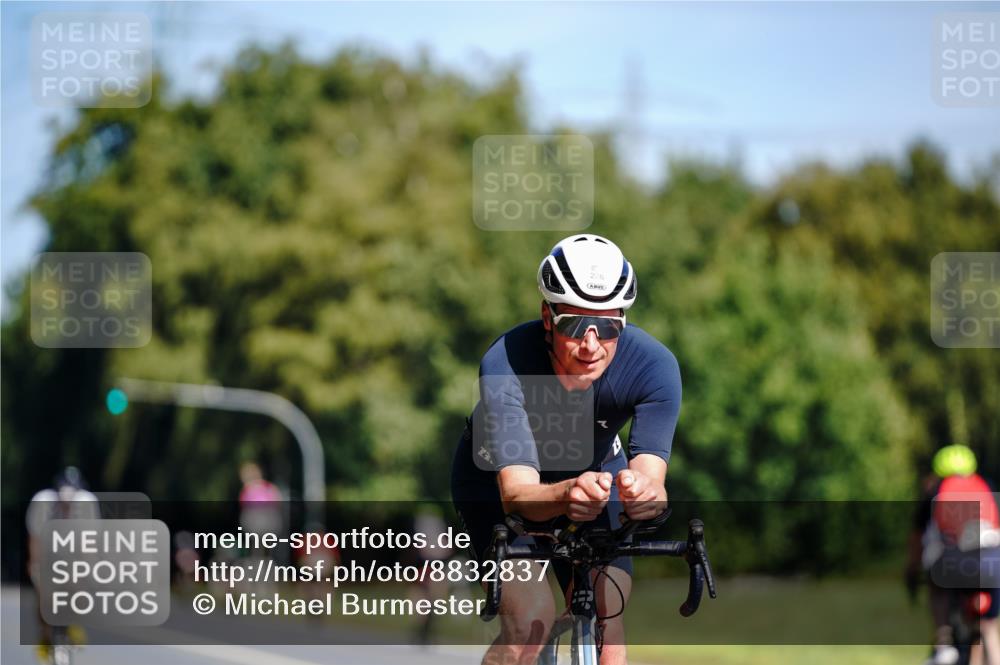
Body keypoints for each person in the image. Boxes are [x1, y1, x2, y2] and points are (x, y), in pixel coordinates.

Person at [451, 234, 681, 665]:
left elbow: (652, 482)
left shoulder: (654, 367)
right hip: (496, 483)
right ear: (547, 315)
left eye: (609, 325)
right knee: (530, 621)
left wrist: (644, 494)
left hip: (594, 474)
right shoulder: (506, 363)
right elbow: (518, 495)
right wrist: (566, 493)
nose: (592, 344)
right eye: (576, 324)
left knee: (608, 619)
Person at [907, 444, 1000, 665]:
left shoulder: (936, 489)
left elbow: (919, 537)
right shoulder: (987, 486)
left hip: (954, 562)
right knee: (987, 625)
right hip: (992, 563)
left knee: (937, 586)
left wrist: (911, 570)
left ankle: (943, 642)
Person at [25, 467, 101, 662]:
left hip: (74, 555)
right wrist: (34, 566)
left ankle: (74, 623)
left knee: (79, 588)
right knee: (42, 596)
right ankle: (44, 635)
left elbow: (89, 543)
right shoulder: (42, 502)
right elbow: (35, 539)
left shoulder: (87, 504)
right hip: (49, 555)